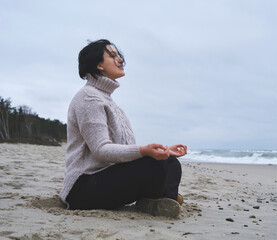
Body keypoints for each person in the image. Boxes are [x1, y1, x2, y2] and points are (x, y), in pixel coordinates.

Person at [59, 39, 187, 218]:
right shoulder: (88, 98)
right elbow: (101, 150)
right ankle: (161, 198)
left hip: (106, 179)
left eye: (119, 55)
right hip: (83, 187)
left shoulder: (112, 104)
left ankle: (162, 201)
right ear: (98, 65)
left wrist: (163, 151)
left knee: (170, 162)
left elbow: (126, 151)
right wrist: (144, 151)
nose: (120, 59)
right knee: (153, 165)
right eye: (112, 56)